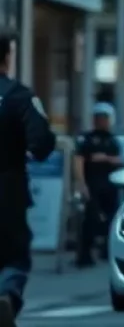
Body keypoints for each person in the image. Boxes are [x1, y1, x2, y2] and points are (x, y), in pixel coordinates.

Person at [0, 31, 56, 327]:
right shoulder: (19, 96)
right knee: (14, 255)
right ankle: (6, 295)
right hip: (7, 190)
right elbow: (43, 141)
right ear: (7, 57)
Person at [73, 102, 123, 267]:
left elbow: (119, 160)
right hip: (92, 185)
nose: (101, 121)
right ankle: (84, 255)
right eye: (98, 118)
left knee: (111, 220)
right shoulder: (87, 139)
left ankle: (107, 251)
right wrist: (81, 184)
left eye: (104, 118)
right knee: (91, 219)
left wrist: (105, 158)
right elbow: (78, 161)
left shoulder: (113, 140)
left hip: (110, 185)